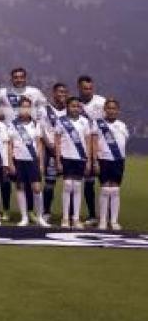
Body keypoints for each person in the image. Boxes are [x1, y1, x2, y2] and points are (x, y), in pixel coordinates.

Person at [8, 97, 49, 227]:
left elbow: (39, 145)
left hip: (32, 161)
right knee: (20, 187)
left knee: (36, 188)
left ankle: (40, 217)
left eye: (28, 107)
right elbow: (9, 145)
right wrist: (10, 163)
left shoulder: (36, 124)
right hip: (18, 160)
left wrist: (41, 163)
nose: (25, 109)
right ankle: (24, 217)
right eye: (23, 107)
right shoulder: (12, 125)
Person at [55, 97, 94, 229]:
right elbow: (57, 142)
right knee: (67, 186)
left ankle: (76, 218)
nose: (75, 108)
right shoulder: (61, 121)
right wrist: (58, 160)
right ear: (67, 107)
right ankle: (65, 218)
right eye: (72, 106)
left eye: (77, 106)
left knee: (77, 187)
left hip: (80, 158)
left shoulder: (84, 122)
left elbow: (88, 142)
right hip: (66, 157)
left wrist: (88, 160)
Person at [94, 99, 128, 230]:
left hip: (118, 161)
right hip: (104, 159)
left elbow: (123, 142)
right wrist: (96, 160)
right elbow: (95, 142)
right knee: (105, 189)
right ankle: (102, 220)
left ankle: (113, 221)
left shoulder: (122, 125)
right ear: (105, 110)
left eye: (114, 108)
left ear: (118, 110)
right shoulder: (99, 124)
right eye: (109, 108)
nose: (111, 111)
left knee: (115, 190)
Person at [77, 75, 105, 225]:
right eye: (84, 88)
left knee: (105, 184)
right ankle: (91, 215)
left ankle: (105, 216)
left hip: (101, 148)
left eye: (90, 88)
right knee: (85, 182)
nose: (87, 91)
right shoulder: (74, 104)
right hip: (82, 148)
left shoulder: (101, 102)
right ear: (79, 88)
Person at [40, 83, 68, 222]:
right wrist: (49, 145)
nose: (62, 94)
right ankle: (46, 212)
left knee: (69, 184)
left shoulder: (71, 110)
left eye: (64, 92)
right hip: (51, 151)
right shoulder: (46, 110)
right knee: (50, 184)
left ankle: (68, 215)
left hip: (68, 153)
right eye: (59, 92)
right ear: (53, 93)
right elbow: (42, 130)